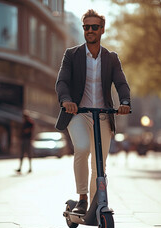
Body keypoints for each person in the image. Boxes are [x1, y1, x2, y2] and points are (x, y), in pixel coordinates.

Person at [55, 9, 131, 214]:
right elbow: (62, 81)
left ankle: (99, 202)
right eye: (86, 27)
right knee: (82, 148)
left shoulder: (111, 58)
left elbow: (121, 84)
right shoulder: (72, 55)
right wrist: (66, 100)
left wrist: (124, 101)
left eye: (94, 27)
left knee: (100, 162)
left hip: (103, 115)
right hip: (78, 113)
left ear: (102, 30)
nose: (89, 30)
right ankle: (82, 199)